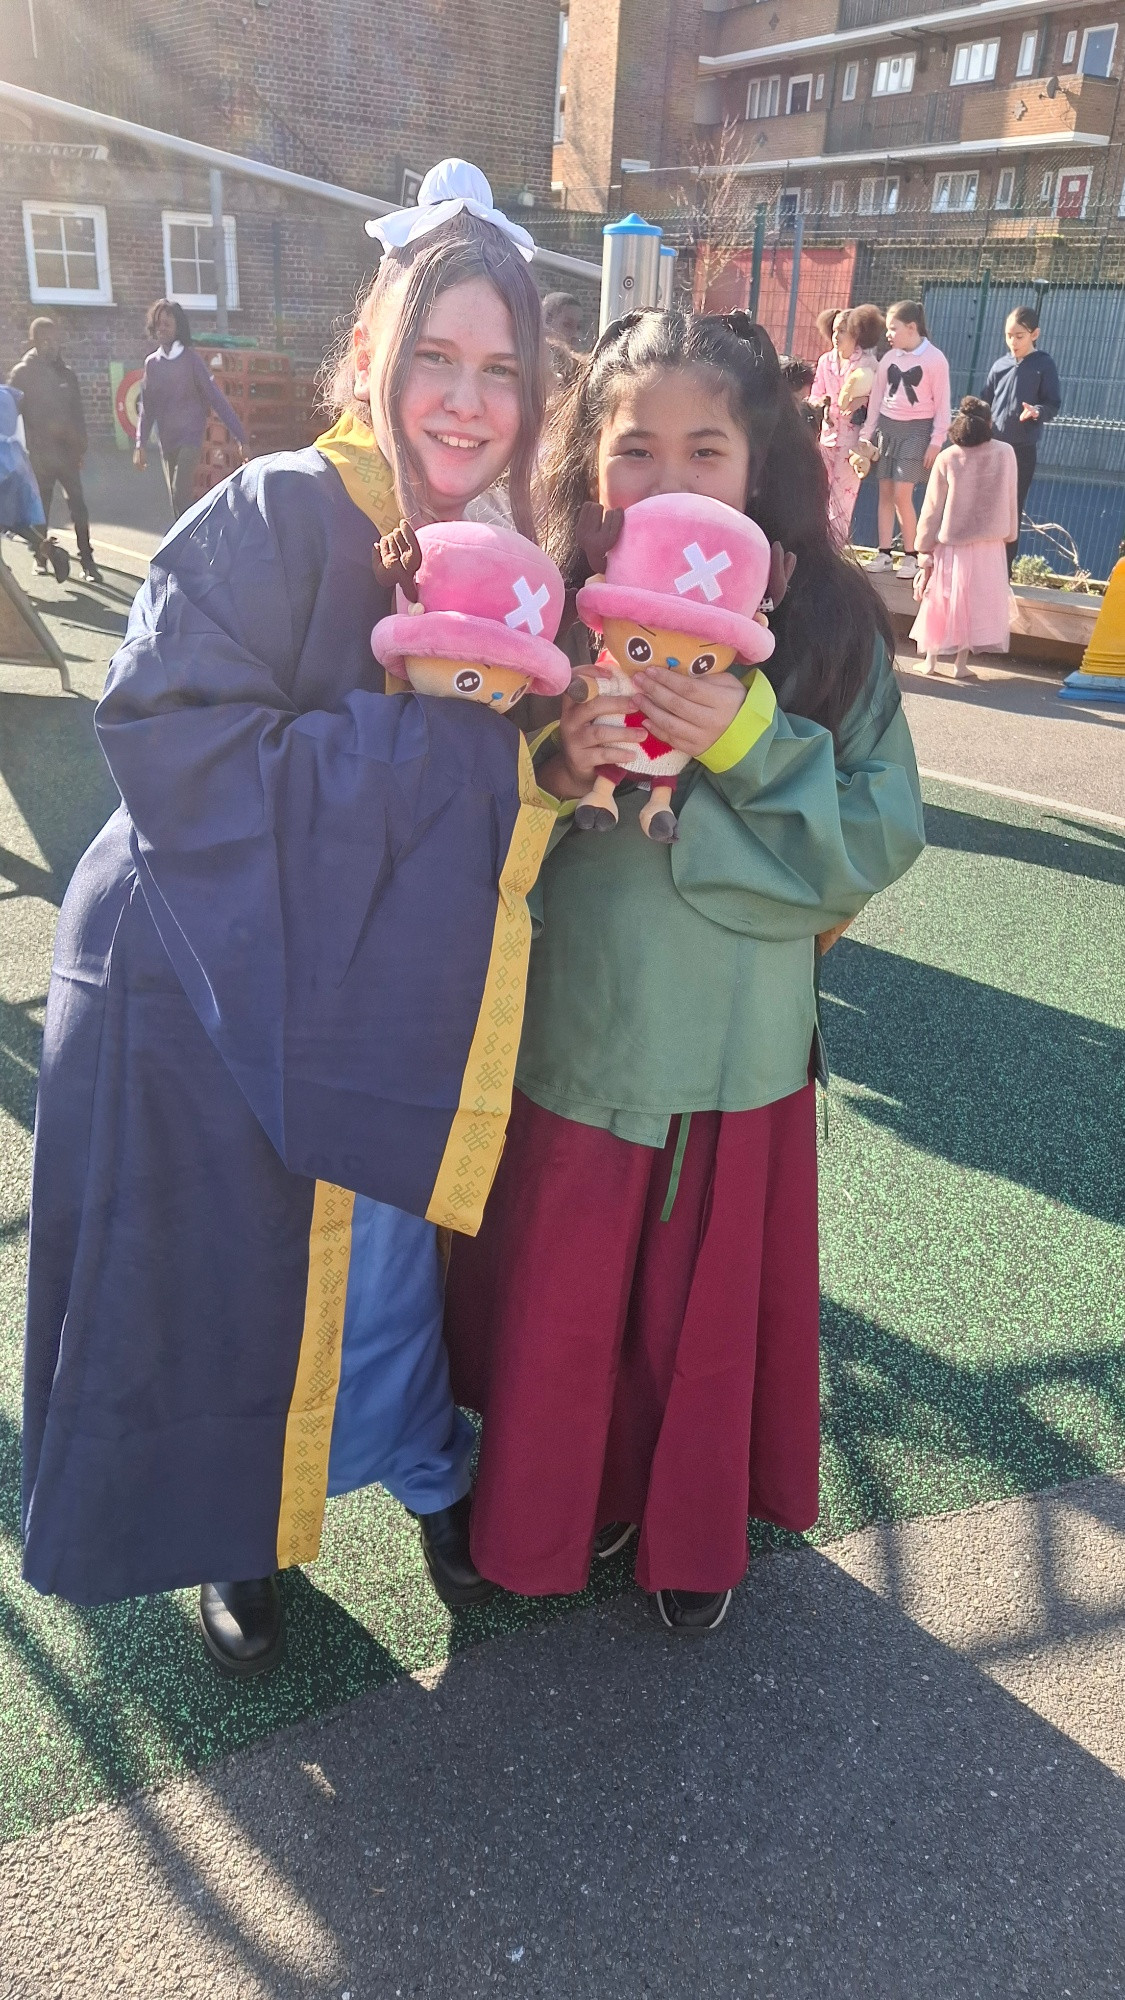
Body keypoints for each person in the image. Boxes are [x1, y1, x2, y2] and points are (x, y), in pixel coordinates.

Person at [22, 161, 555, 1678]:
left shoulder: (506, 550)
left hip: (378, 979)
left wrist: (555, 761)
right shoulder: (274, 507)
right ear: (373, 350)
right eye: (435, 357)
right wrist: (434, 747)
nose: (466, 402)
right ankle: (236, 1527)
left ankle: (427, 1471)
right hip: (207, 962)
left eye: (501, 369)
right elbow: (170, 732)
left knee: (385, 1256)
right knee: (234, 1261)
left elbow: (504, 774)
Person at [443, 309, 926, 1634]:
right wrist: (554, 766)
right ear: (587, 472)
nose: (668, 481)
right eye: (633, 450)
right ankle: (569, 1501)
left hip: (735, 1056)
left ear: (760, 462)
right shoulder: (543, 608)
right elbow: (453, 822)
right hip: (577, 1040)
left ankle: (692, 1525)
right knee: (567, 1301)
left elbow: (880, 834)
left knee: (696, 1315)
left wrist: (755, 741)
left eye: (704, 449)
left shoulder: (827, 624)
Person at [909, 395, 1017, 683]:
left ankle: (930, 660)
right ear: (989, 423)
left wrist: (923, 547)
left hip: (952, 544)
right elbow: (1011, 497)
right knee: (976, 602)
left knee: (941, 600)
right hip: (990, 544)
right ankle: (960, 664)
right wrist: (1009, 533)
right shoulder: (1005, 453)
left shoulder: (948, 456)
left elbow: (932, 508)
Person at [859, 300, 951, 580]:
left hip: (916, 431)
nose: (888, 334)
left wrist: (936, 441)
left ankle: (912, 555)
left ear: (912, 327)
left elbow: (943, 404)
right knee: (885, 492)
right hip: (887, 429)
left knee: (902, 494)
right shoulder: (889, 358)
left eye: (893, 328)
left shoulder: (935, 359)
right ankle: (884, 553)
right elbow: (876, 399)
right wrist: (866, 435)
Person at [133, 299, 248, 519]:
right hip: (167, 441)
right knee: (175, 501)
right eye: (158, 324)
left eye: (167, 323)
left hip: (190, 438)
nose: (162, 328)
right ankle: (189, 537)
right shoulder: (152, 364)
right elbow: (147, 407)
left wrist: (241, 438)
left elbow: (216, 398)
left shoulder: (191, 360)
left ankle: (194, 534)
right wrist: (141, 444)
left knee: (180, 493)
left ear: (178, 327)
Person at [6, 317, 101, 584]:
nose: (51, 345)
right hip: (38, 456)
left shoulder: (67, 375)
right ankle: (40, 557)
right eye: (45, 340)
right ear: (34, 342)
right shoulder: (22, 373)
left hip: (67, 454)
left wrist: (80, 447)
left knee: (78, 506)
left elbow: (77, 414)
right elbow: (9, 413)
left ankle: (87, 561)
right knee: (41, 509)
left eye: (55, 339)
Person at [981, 306, 1061, 575]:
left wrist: (1037, 411)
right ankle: (981, 565)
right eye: (1009, 336)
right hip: (993, 448)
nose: (1013, 342)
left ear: (1034, 334)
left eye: (1019, 336)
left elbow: (1053, 403)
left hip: (1022, 451)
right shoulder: (999, 365)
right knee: (987, 505)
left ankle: (1003, 571)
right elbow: (985, 401)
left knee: (1011, 508)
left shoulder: (1044, 364)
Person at [809, 304, 883, 547]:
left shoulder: (869, 364)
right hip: (826, 438)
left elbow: (876, 406)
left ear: (856, 333)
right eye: (834, 330)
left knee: (843, 499)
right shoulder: (825, 361)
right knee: (819, 493)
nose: (836, 336)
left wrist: (864, 438)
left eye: (842, 331)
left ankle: (835, 548)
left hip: (853, 443)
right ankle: (816, 544)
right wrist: (821, 406)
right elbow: (815, 394)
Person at [0, 382, 70, 582]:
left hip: (3, 465)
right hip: (15, 464)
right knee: (11, 520)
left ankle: (6, 579)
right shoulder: (9, 395)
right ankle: (49, 550)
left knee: (8, 519)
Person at [542, 291, 587, 385]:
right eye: (567, 324)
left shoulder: (582, 373)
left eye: (578, 327)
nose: (576, 334)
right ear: (547, 321)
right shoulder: (527, 364)